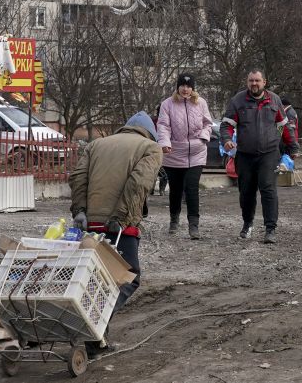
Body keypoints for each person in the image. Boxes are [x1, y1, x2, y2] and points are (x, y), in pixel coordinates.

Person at [69, 111, 162, 318]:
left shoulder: (96, 144)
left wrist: (80, 211)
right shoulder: (151, 148)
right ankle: (94, 317)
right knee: (128, 277)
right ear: (150, 133)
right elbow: (139, 184)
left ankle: (95, 341)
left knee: (94, 277)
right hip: (119, 225)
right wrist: (120, 218)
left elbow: (78, 178)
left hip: (88, 224)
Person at [221, 70, 298, 244]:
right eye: (251, 81)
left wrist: (289, 144)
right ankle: (247, 223)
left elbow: (283, 125)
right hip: (245, 155)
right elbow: (227, 125)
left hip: (269, 154)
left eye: (257, 80)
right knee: (246, 192)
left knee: (268, 190)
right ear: (247, 82)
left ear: (264, 82)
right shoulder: (238, 101)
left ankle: (270, 229)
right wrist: (226, 139)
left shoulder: (274, 100)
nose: (254, 84)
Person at [157, 73, 214, 240]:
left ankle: (193, 225)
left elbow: (208, 123)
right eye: (182, 85)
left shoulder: (201, 103)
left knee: (191, 188)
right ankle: (174, 220)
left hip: (196, 152)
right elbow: (163, 126)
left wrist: (203, 136)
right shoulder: (167, 104)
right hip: (174, 152)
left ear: (193, 88)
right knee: (175, 189)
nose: (185, 89)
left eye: (189, 86)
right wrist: (164, 143)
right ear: (178, 87)